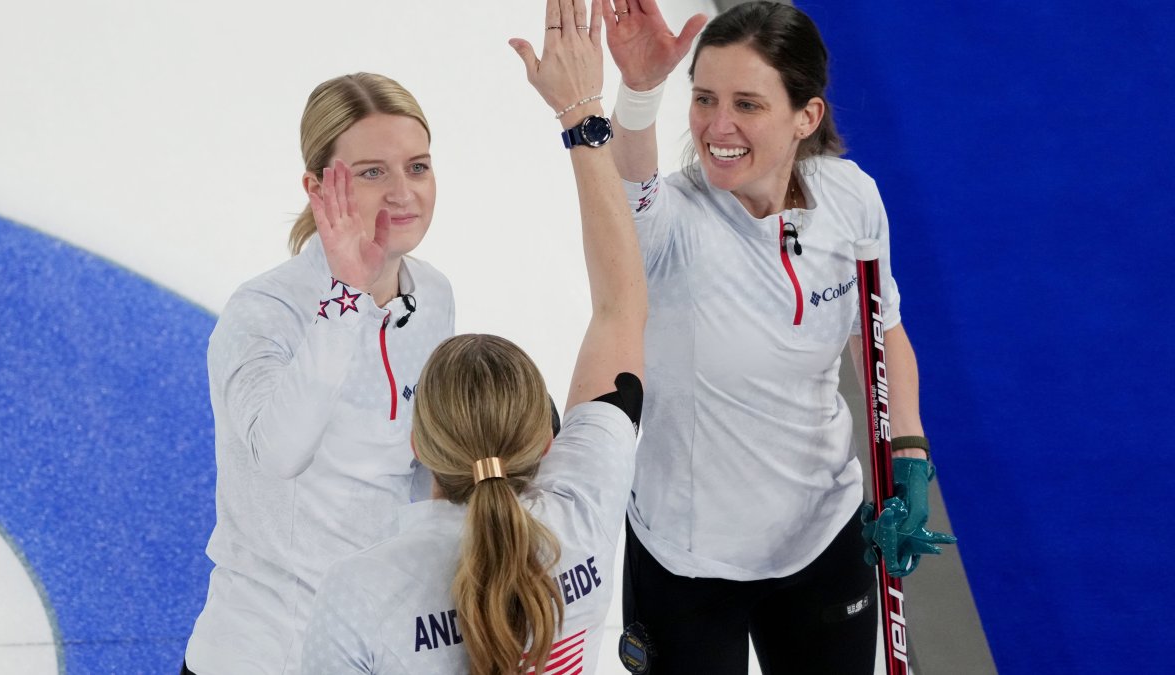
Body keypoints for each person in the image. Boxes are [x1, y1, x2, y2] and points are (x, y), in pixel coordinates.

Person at [601, 1, 956, 673]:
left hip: (822, 538)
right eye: (704, 99)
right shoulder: (673, 221)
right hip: (688, 560)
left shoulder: (850, 199)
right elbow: (628, 189)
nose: (718, 126)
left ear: (806, 117)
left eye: (747, 103)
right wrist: (641, 89)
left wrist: (908, 450)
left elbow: (880, 330)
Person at [299, 1, 645, 672]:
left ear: (420, 445)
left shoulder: (359, 593)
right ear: (549, 441)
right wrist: (581, 112)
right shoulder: (582, 508)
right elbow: (622, 309)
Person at [182, 73, 455, 674]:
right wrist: (344, 303)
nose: (403, 193)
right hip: (262, 654)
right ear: (316, 187)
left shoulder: (433, 297)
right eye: (371, 172)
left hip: (373, 648)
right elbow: (280, 452)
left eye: (418, 166)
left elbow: (424, 475)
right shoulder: (264, 313)